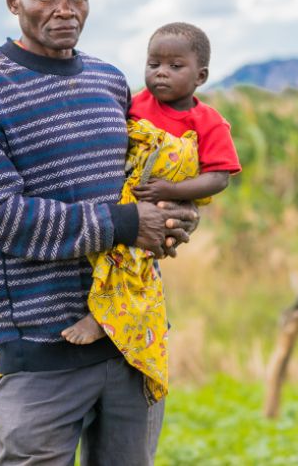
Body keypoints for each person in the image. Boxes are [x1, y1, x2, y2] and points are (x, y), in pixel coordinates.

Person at [0, 0, 199, 466]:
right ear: (14, 0)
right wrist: (127, 223)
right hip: (43, 350)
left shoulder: (109, 81)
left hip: (132, 339)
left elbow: (135, 186)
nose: (65, 9)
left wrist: (173, 216)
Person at [61, 22, 241, 404]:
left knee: (133, 259)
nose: (161, 72)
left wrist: (171, 190)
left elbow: (219, 177)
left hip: (164, 203)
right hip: (126, 198)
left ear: (201, 76)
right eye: (153, 63)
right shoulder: (137, 104)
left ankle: (104, 319)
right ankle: (114, 318)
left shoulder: (207, 122)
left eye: (175, 66)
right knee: (111, 251)